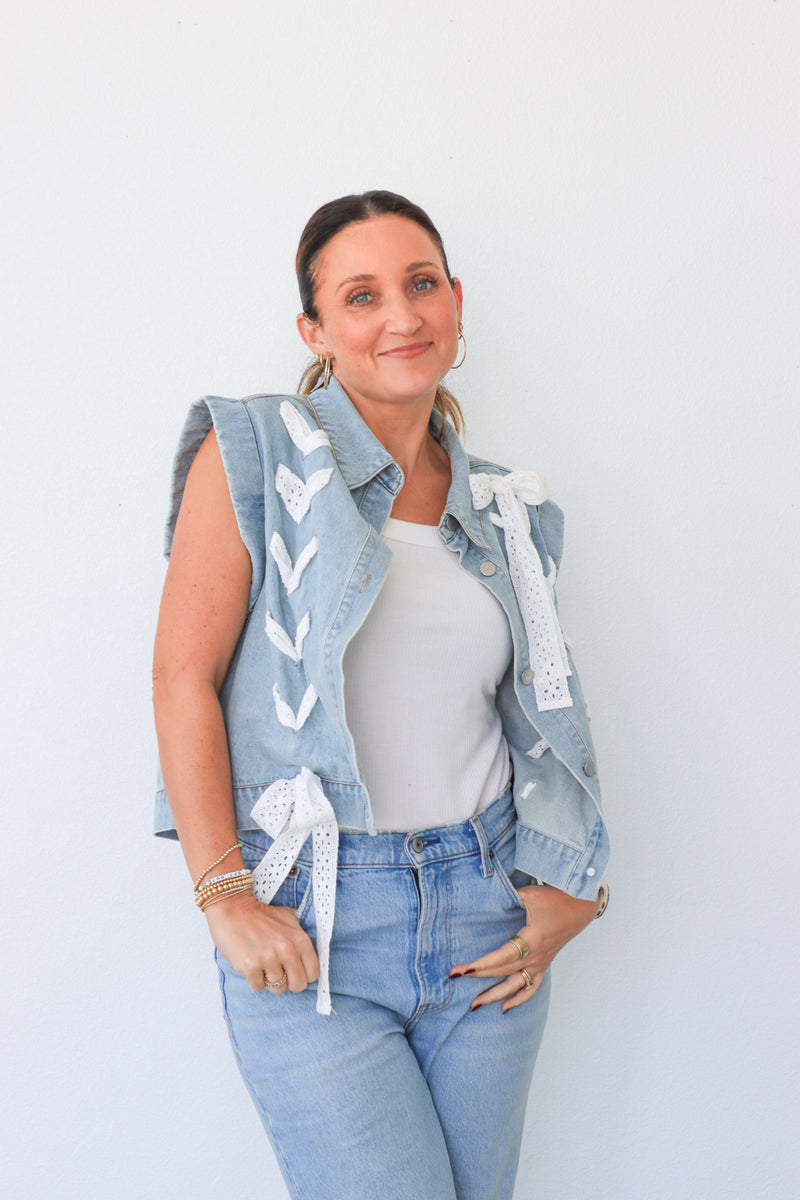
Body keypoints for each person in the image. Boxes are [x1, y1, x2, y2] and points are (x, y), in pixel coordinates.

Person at [152, 190, 610, 1200]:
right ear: (314, 331)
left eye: (420, 284)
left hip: (486, 915)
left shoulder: (508, 509)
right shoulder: (253, 454)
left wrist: (578, 882)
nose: (401, 316)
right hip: (316, 926)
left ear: (455, 302)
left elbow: (544, 715)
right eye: (361, 296)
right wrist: (225, 896)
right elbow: (183, 679)